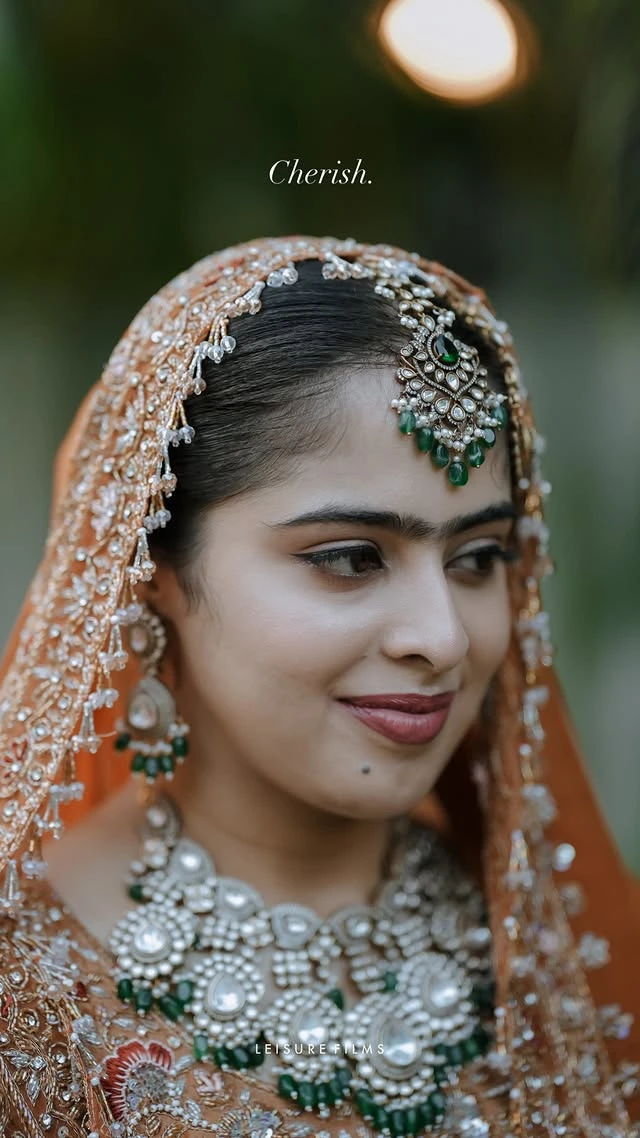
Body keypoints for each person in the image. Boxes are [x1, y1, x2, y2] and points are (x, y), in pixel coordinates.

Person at [0, 235, 638, 1138]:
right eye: (349, 558)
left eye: (478, 557)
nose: (444, 637)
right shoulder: (27, 1001)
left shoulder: (560, 949)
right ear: (154, 571)